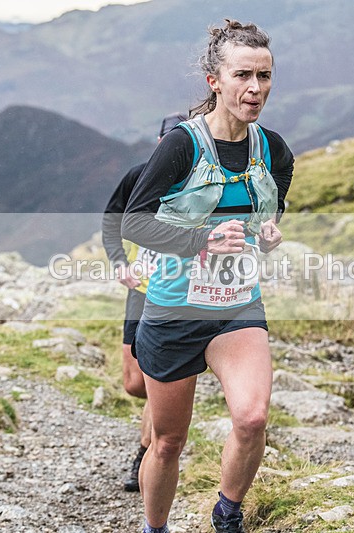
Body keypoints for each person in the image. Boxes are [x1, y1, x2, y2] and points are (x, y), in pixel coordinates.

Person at [121, 20, 293, 533]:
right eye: (243, 75)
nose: (255, 88)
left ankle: (227, 513)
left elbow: (268, 213)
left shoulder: (274, 150)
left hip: (237, 306)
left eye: (264, 76)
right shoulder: (181, 145)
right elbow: (134, 223)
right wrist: (202, 240)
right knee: (168, 442)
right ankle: (155, 528)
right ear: (214, 80)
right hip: (173, 309)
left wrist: (267, 233)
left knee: (252, 418)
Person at [101, 112, 187, 492]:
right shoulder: (139, 177)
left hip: (178, 295)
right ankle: (164, 426)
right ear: (159, 142)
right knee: (135, 383)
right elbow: (111, 220)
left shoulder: (200, 181)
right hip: (141, 289)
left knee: (158, 376)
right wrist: (119, 262)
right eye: (169, 142)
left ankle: (149, 449)